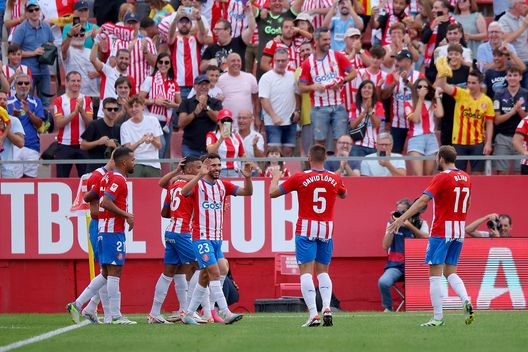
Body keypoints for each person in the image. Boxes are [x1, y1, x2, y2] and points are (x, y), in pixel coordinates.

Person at [387, 145, 475, 327]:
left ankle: (438, 318)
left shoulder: (442, 177)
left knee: (435, 275)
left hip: (442, 231)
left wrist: (401, 218)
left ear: (441, 158)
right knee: (450, 271)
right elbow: (469, 202)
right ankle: (466, 299)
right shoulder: (466, 177)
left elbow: (422, 201)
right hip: (458, 230)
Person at [270, 144, 347, 327]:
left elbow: (273, 193)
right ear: (325, 159)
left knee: (305, 273)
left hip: (306, 226)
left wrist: (275, 177)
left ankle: (313, 313)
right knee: (323, 272)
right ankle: (327, 307)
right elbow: (344, 194)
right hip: (326, 227)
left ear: (309, 158)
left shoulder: (299, 177)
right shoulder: (335, 178)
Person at [180, 153, 254, 325]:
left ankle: (189, 313)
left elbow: (247, 193)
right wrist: (199, 175)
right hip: (201, 237)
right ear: (206, 166)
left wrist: (248, 179)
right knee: (214, 271)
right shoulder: (198, 185)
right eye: (213, 165)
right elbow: (184, 192)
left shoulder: (223, 185)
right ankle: (225, 312)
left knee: (214, 273)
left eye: (219, 165)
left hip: (217, 239)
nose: (217, 169)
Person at [67, 146, 136, 325]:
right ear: (124, 162)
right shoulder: (119, 180)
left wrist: (99, 201)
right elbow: (105, 202)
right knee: (114, 272)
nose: (134, 163)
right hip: (112, 231)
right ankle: (115, 316)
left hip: (103, 229)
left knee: (106, 273)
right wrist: (126, 214)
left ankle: (79, 304)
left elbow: (89, 196)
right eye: (132, 160)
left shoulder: (106, 177)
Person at [148, 156, 202, 324]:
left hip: (170, 231)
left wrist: (178, 175)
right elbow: (204, 180)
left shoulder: (173, 187)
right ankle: (189, 311)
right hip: (182, 232)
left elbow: (164, 213)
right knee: (203, 266)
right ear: (191, 170)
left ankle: (155, 313)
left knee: (171, 272)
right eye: (199, 167)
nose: (202, 170)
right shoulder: (194, 185)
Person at [299, 27, 354, 151]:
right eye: (325, 39)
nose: (328, 42)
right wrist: (313, 87)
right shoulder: (308, 63)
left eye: (329, 39)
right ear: (316, 40)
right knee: (319, 140)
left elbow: (353, 72)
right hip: (319, 107)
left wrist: (342, 81)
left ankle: (339, 167)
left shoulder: (337, 56)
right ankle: (320, 167)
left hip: (338, 104)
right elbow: (301, 87)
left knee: (340, 140)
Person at [77, 158, 115, 324]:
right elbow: (93, 208)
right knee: (106, 270)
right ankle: (107, 315)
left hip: (107, 226)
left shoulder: (111, 176)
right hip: (100, 226)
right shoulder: (97, 176)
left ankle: (91, 307)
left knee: (106, 271)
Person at [436, 69, 494, 174]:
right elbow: (443, 85)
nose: (470, 85)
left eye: (473, 83)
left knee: (477, 174)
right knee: (458, 174)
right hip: (459, 143)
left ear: (480, 83)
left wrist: (488, 143)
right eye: (468, 82)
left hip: (478, 142)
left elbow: (489, 123)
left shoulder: (487, 101)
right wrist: (443, 72)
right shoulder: (461, 93)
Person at [379, 198, 428, 312]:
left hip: (417, 265)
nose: (399, 214)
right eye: (398, 211)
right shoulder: (392, 223)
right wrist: (393, 225)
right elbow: (385, 246)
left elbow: (426, 238)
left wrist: (409, 226)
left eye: (403, 212)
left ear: (411, 211)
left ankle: (425, 308)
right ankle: (388, 307)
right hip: (396, 265)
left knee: (433, 281)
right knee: (383, 282)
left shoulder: (421, 223)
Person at [11, 0, 54, 107]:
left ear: (40, 10)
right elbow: (13, 51)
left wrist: (48, 51)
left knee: (45, 103)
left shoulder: (46, 27)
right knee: (25, 102)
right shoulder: (21, 29)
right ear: (26, 13)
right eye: (31, 10)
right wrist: (33, 53)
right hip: (27, 73)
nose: (34, 12)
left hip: (44, 70)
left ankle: (45, 123)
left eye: (36, 9)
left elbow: (51, 43)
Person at [139, 52, 181, 159]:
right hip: (152, 119)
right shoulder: (150, 80)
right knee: (160, 146)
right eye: (160, 62)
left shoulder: (174, 83)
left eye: (166, 62)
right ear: (157, 64)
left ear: (170, 65)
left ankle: (159, 174)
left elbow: (180, 104)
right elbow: (139, 100)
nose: (163, 64)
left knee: (164, 149)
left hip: (167, 122)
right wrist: (154, 101)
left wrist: (172, 104)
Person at [381, 49, 424, 153]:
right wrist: (394, 83)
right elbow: (384, 96)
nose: (398, 63)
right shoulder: (391, 76)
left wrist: (407, 82)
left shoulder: (419, 76)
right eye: (397, 60)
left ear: (409, 61)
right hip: (397, 122)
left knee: (416, 153)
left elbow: (423, 94)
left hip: (416, 122)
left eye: (401, 60)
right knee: (395, 153)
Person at [259, 49, 300, 157]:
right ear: (273, 61)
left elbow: (297, 94)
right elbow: (263, 99)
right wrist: (273, 116)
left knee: (288, 151)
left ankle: (285, 173)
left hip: (290, 121)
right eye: (278, 61)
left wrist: (297, 111)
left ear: (288, 61)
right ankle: (273, 173)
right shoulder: (266, 77)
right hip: (273, 123)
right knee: (273, 152)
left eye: (283, 60)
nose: (281, 63)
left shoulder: (292, 75)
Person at [53, 71, 93, 178]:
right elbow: (59, 123)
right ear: (66, 82)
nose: (76, 83)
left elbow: (90, 124)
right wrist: (74, 113)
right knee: (62, 179)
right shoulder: (59, 100)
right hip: (64, 145)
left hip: (83, 145)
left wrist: (81, 111)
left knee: (86, 180)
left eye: (78, 81)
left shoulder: (87, 99)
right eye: (73, 81)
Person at [7, 73, 45, 178]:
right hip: (13, 147)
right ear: (14, 86)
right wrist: (12, 116)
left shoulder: (36, 101)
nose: (23, 85)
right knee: (14, 181)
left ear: (30, 85)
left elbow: (39, 124)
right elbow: (3, 125)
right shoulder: (8, 102)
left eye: (26, 83)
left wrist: (29, 112)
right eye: (20, 83)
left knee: (31, 181)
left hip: (32, 146)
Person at [493, 66, 528, 174]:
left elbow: (527, 119)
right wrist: (512, 112)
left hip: (522, 139)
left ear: (520, 77)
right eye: (509, 75)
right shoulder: (499, 94)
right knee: (501, 172)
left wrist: (519, 111)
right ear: (506, 77)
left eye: (515, 75)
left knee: (520, 172)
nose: (512, 78)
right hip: (503, 137)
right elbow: (497, 120)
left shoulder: (526, 94)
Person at [405, 78, 442, 176]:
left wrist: (437, 96)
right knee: (418, 174)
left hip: (431, 138)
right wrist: (420, 99)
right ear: (415, 89)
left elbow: (440, 114)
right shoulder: (408, 103)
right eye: (419, 86)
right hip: (416, 138)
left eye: (425, 87)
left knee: (428, 174)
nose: (422, 89)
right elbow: (416, 119)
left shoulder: (431, 103)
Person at [167, 10, 208, 99]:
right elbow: (170, 35)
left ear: (191, 25)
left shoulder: (196, 40)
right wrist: (175, 19)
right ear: (177, 25)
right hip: (179, 85)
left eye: (187, 22)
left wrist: (198, 18)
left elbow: (203, 33)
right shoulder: (175, 40)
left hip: (196, 85)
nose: (184, 24)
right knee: (179, 112)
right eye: (181, 22)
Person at [178, 74, 222, 157]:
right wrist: (194, 113)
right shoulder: (186, 103)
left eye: (206, 84)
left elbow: (218, 119)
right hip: (190, 147)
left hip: (211, 146)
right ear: (194, 86)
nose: (204, 87)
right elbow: (181, 123)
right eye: (201, 84)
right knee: (190, 170)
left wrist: (206, 108)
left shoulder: (215, 102)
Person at [120, 96, 163, 177]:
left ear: (143, 106)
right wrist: (140, 141)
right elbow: (127, 150)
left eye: (136, 106)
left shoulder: (153, 120)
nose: (133, 109)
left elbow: (159, 145)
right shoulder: (125, 126)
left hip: (153, 164)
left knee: (154, 190)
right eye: (131, 107)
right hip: (134, 164)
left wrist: (152, 140)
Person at [91, 46, 136, 119]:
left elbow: (132, 99)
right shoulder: (108, 71)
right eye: (121, 58)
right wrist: (96, 43)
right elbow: (93, 59)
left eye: (126, 59)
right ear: (116, 59)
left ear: (129, 61)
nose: (124, 61)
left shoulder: (131, 79)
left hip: (121, 117)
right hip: (104, 115)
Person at [216, 53, 259, 129]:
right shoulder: (220, 79)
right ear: (227, 63)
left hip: (247, 122)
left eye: (238, 61)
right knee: (228, 141)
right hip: (227, 122)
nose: (236, 63)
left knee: (248, 141)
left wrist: (257, 117)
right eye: (233, 61)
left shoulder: (250, 77)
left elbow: (256, 100)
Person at [438, 44, 470, 147]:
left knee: (461, 144)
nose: (453, 56)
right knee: (447, 143)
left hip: (463, 112)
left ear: (461, 56)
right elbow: (435, 87)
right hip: (447, 111)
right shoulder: (444, 70)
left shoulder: (467, 70)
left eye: (456, 54)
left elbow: (474, 88)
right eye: (450, 54)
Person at [80, 98, 122, 172]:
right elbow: (82, 145)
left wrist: (114, 146)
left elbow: (121, 151)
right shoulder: (95, 124)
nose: (113, 111)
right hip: (94, 169)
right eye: (109, 109)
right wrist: (98, 142)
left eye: (115, 109)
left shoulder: (118, 128)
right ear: (103, 110)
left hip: (112, 170)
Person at [421, 0, 457, 84]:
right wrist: (432, 26)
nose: (433, 10)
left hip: (449, 62)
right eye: (433, 8)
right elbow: (423, 39)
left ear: (445, 10)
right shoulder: (430, 23)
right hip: (431, 64)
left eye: (436, 8)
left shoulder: (454, 24)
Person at [206, 109, 246, 178]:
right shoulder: (212, 135)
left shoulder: (236, 136)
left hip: (234, 171)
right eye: (224, 121)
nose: (226, 123)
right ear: (218, 122)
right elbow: (210, 152)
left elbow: (242, 155)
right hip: (218, 171)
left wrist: (243, 167)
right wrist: (221, 139)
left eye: (229, 121)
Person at [349, 80, 384, 157]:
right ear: (360, 91)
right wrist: (364, 111)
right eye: (364, 87)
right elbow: (352, 125)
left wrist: (370, 110)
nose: (366, 90)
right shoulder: (354, 105)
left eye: (369, 88)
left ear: (373, 91)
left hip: (374, 146)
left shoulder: (378, 105)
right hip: (357, 146)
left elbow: (377, 125)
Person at [499, 0, 528, 88]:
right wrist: (523, 27)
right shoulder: (503, 20)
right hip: (514, 63)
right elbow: (506, 39)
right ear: (516, 5)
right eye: (523, 3)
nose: (525, 5)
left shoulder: (523, 19)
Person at [0, 92, 25, 178]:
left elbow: (21, 143)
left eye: (5, 99)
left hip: (7, 170)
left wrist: (6, 130)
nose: (2, 101)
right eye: (0, 99)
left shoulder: (14, 120)